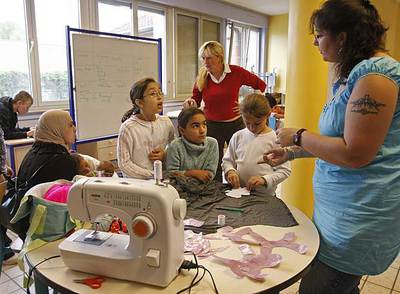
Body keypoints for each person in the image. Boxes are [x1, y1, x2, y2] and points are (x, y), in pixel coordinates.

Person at [260, 1, 400, 293]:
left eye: (320, 34)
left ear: (343, 37)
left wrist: (298, 135)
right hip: (341, 210)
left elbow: (354, 153)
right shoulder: (354, 75)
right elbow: (340, 141)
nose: (314, 41)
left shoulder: (375, 79)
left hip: (358, 216)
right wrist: (292, 153)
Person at [183, 41, 267, 181]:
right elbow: (196, 100)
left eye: (209, 58)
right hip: (212, 125)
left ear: (219, 57)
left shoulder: (236, 72)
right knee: (213, 163)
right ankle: (215, 193)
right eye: (203, 58)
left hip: (235, 124)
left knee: (240, 160)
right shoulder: (203, 77)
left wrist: (246, 105)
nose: (205, 62)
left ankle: (240, 189)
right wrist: (190, 102)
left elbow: (260, 85)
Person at [222, 93, 290, 194]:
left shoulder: (276, 139)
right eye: (247, 122)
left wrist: (264, 180)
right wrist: (230, 171)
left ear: (267, 115)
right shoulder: (238, 136)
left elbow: (285, 171)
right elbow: (227, 161)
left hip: (265, 196)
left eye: (257, 123)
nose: (252, 127)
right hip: (240, 192)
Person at [117, 77, 175, 179]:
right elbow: (124, 164)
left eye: (160, 92)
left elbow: (175, 149)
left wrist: (165, 155)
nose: (159, 97)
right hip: (138, 184)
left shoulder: (166, 122)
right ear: (140, 103)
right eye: (153, 94)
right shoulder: (128, 128)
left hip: (163, 180)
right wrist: (152, 175)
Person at [166, 107, 218, 183]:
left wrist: (183, 175)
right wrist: (192, 173)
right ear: (182, 130)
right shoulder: (175, 146)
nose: (202, 130)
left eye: (204, 124)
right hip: (180, 189)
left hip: (205, 188)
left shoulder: (212, 143)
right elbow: (171, 175)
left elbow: (209, 175)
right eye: (195, 126)